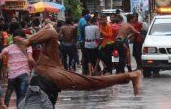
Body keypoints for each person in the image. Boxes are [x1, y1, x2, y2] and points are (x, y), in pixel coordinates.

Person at [13, 24, 142, 97]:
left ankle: (131, 75)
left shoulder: (107, 31)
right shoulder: (104, 31)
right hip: (49, 69)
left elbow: (51, 31)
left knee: (94, 81)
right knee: (94, 81)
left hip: (50, 74)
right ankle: (131, 75)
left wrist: (29, 40)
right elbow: (49, 28)